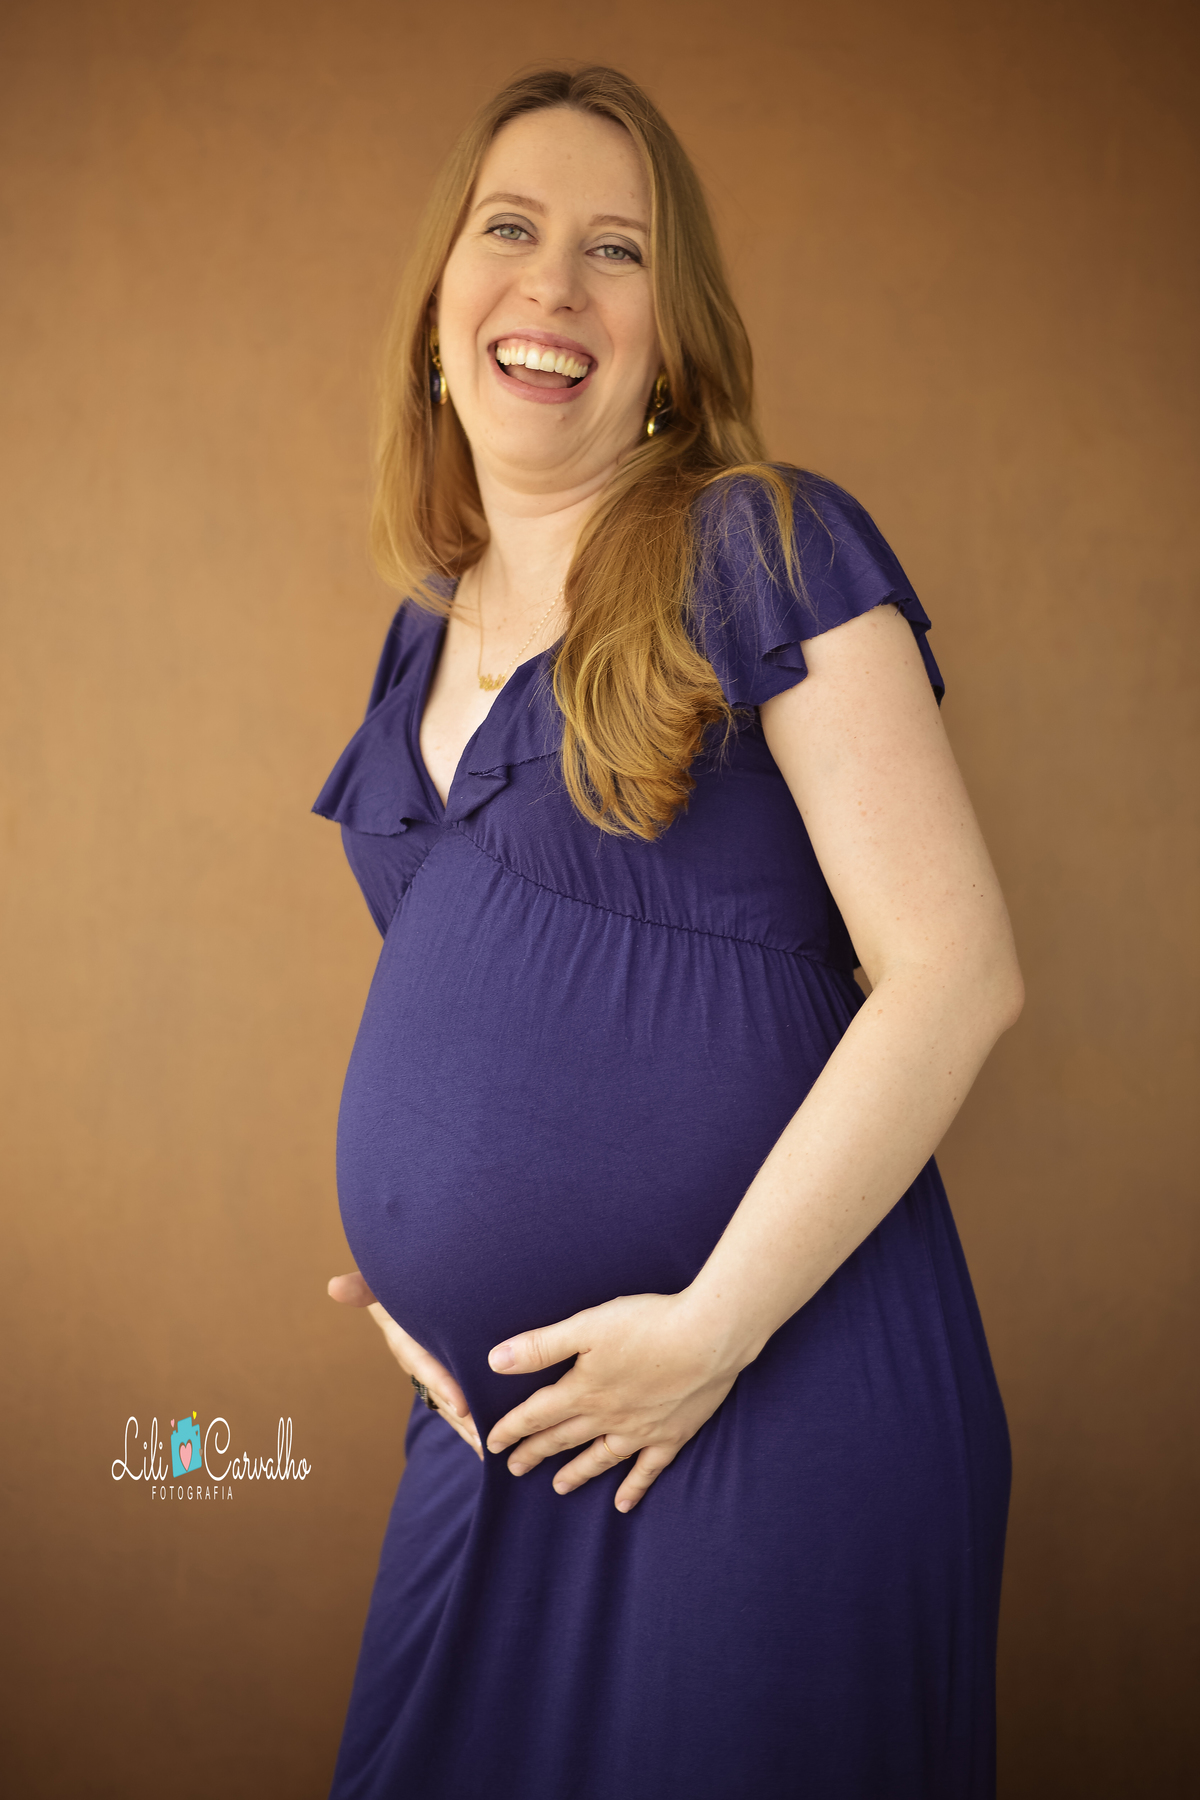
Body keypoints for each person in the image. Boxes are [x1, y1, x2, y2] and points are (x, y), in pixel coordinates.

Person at [315, 64, 1023, 1800]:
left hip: (773, 1393)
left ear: (669, 344)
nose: (555, 284)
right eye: (513, 229)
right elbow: (464, 1011)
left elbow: (958, 974)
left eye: (615, 252)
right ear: (439, 309)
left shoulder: (761, 545)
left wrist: (708, 1330)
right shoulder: (421, 654)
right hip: (509, 1436)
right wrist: (415, 1275)